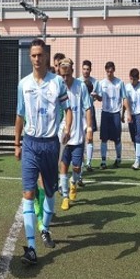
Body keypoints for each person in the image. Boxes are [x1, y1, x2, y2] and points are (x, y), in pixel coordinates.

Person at [15, 38, 72, 266]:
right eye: (33, 55)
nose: (37, 59)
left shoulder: (57, 82)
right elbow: (20, 115)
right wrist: (17, 143)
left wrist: (67, 128)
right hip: (30, 143)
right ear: (30, 57)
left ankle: (45, 228)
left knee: (49, 193)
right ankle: (31, 247)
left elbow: (68, 110)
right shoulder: (23, 84)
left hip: (50, 145)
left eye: (40, 55)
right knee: (28, 194)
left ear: (47, 57)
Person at [57, 58, 92, 211]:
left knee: (76, 167)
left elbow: (88, 108)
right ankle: (65, 197)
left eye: (67, 75)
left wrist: (89, 129)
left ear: (72, 72)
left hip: (77, 136)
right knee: (63, 166)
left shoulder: (81, 87)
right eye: (62, 75)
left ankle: (73, 182)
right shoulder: (58, 86)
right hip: (62, 135)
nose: (65, 78)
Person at [92, 61, 127, 170]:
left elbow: (124, 98)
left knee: (117, 139)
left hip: (116, 113)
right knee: (104, 138)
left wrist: (124, 114)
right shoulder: (101, 83)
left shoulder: (120, 83)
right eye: (107, 71)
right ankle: (103, 161)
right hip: (105, 113)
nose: (109, 73)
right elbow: (100, 98)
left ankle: (118, 158)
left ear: (114, 70)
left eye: (111, 71)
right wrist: (96, 95)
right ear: (105, 71)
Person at [125, 68, 140, 170]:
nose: (132, 81)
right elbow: (125, 101)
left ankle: (137, 160)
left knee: (139, 136)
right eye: (131, 79)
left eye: (134, 79)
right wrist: (125, 114)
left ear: (137, 78)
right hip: (131, 114)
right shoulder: (127, 87)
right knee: (133, 137)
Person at [78, 60, 97, 169]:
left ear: (90, 70)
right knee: (80, 138)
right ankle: (80, 161)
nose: (85, 71)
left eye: (87, 69)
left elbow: (100, 97)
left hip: (90, 111)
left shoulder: (95, 82)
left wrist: (96, 96)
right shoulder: (78, 81)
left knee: (89, 137)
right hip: (80, 112)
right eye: (84, 69)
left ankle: (88, 162)